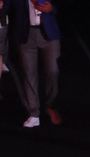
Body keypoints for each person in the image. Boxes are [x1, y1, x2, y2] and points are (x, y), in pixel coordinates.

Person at [8, 0, 61, 128]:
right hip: (26, 34)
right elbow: (8, 6)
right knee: (29, 73)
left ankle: (50, 105)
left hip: (48, 34)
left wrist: (52, 8)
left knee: (53, 71)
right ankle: (34, 113)